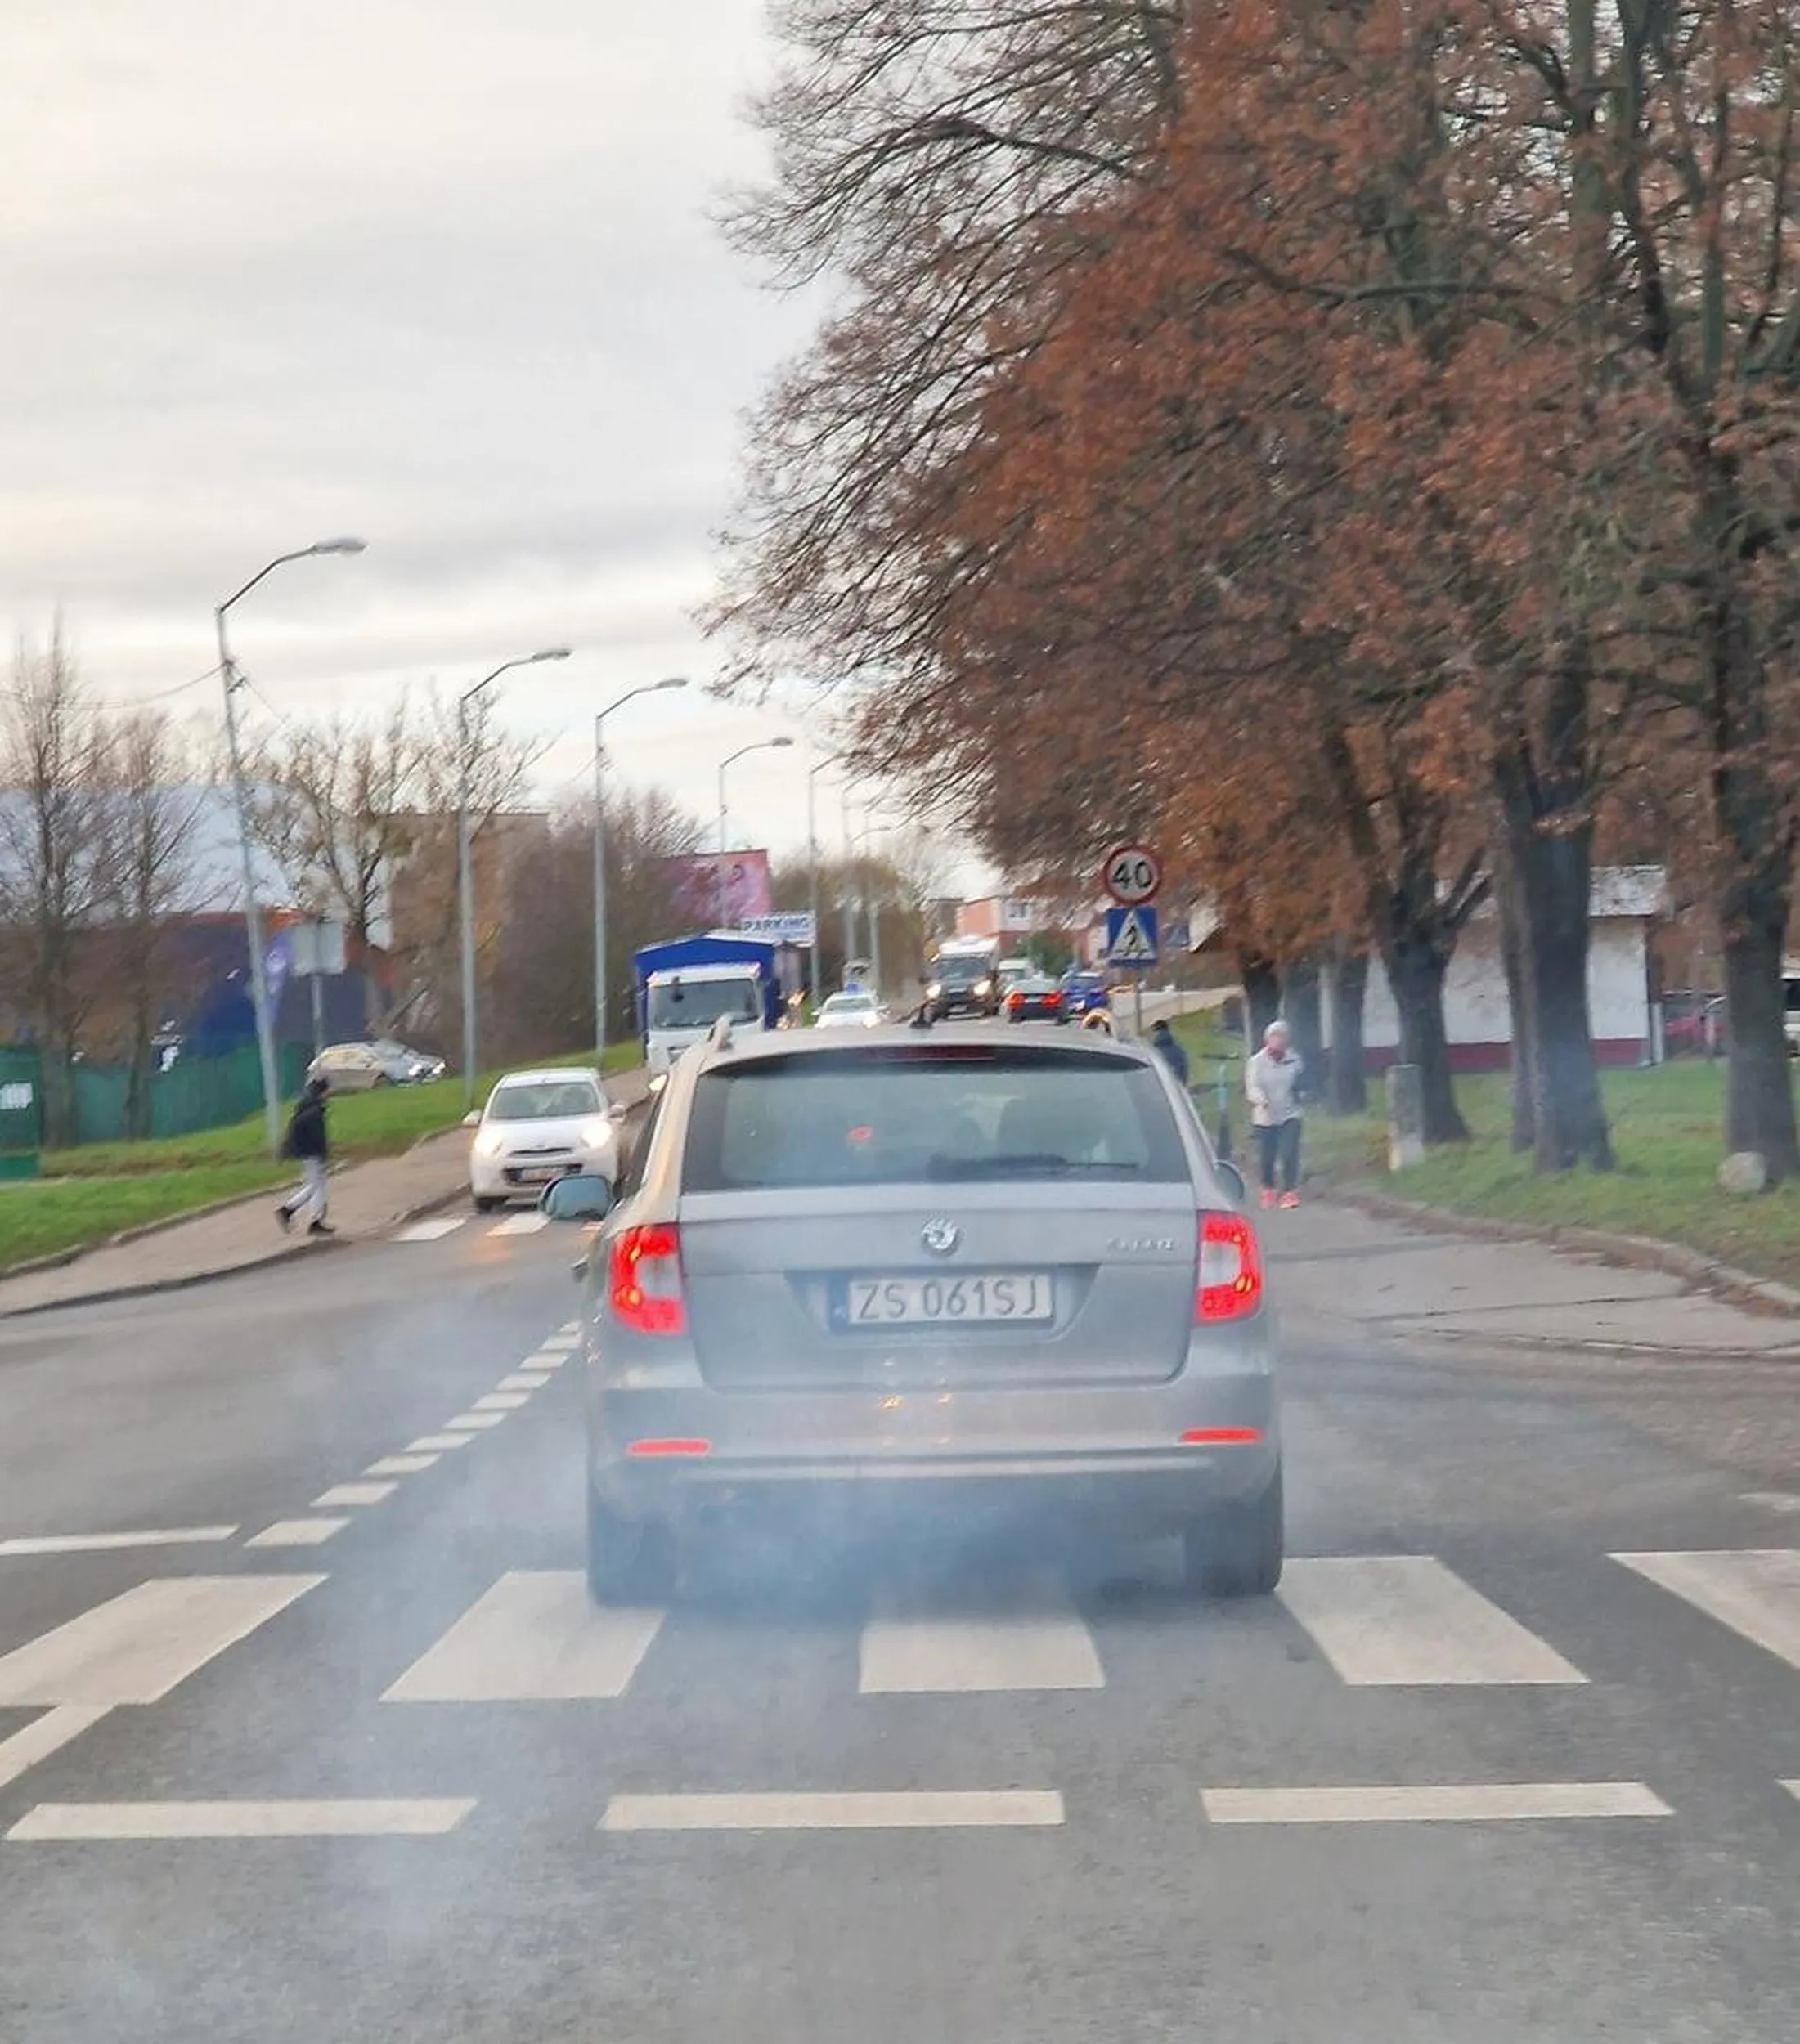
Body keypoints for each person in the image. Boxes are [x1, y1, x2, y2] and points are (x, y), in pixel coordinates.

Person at [1246, 1019, 1304, 1210]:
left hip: (1290, 1113)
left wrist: (1303, 1092)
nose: (1279, 1041)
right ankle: (1268, 1188)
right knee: (1267, 1156)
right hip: (1266, 1116)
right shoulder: (1256, 1062)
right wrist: (1261, 1100)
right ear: (1267, 1040)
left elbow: (1302, 1082)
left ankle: (1289, 1191)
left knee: (1289, 1152)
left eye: (1283, 1037)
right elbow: (1252, 1087)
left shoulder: (1294, 1060)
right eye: (1275, 1037)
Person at [275, 1076, 334, 1237]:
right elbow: (317, 1136)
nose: (329, 1094)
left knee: (317, 1185)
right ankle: (289, 1210)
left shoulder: (306, 1106)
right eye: (327, 1091)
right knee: (315, 1185)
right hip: (311, 1152)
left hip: (305, 1151)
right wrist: (323, 1154)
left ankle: (314, 1219)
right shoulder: (314, 1111)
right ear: (322, 1091)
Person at [1148, 1017, 1189, 1087]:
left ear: (1155, 1032)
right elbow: (1184, 1070)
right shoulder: (1178, 1050)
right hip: (1176, 1086)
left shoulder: (1153, 1052)